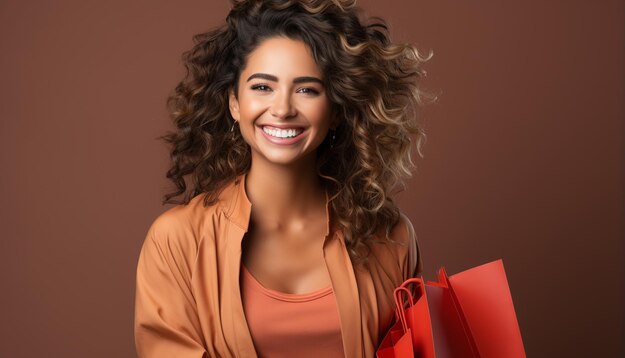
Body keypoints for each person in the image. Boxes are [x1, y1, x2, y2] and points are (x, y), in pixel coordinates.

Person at [134, 0, 433, 357]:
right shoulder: (176, 242)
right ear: (234, 102)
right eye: (262, 87)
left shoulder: (391, 237)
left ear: (336, 110)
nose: (282, 109)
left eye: (307, 89)